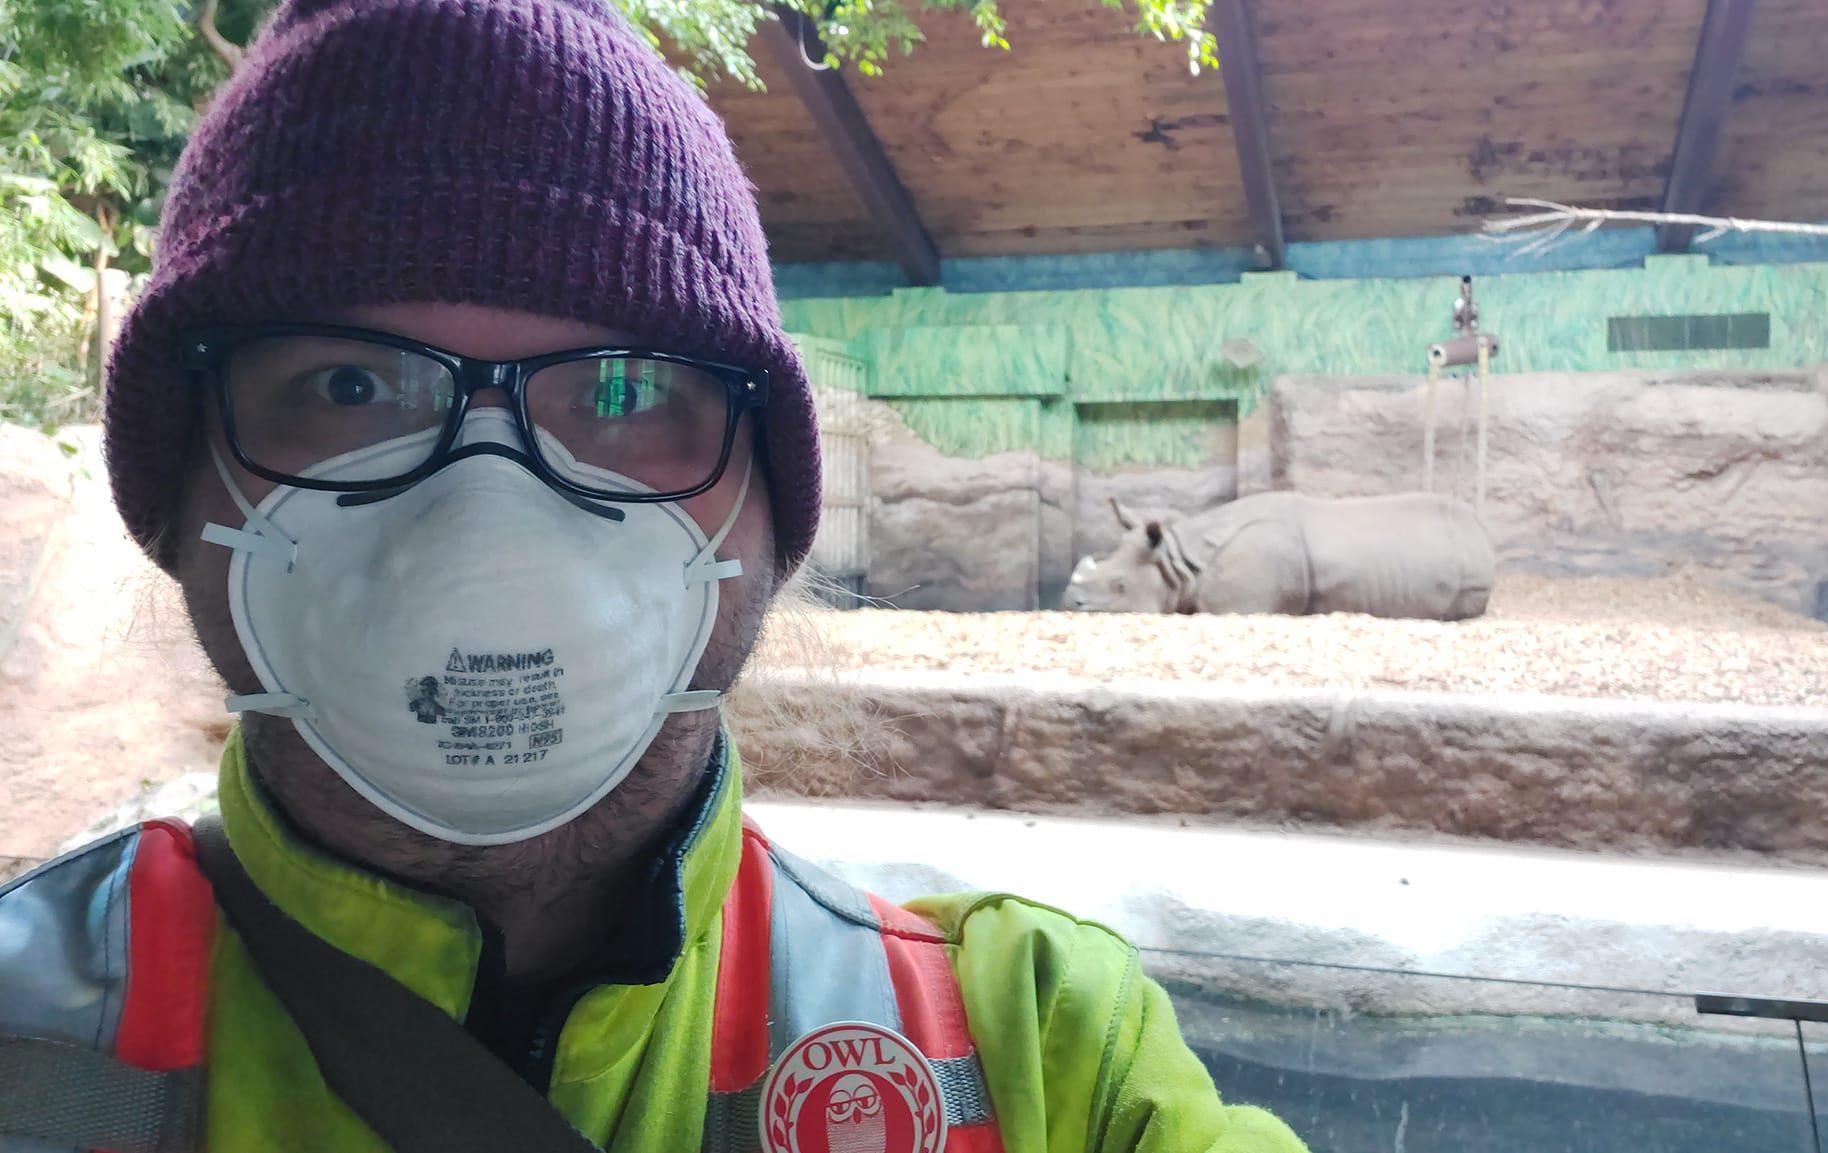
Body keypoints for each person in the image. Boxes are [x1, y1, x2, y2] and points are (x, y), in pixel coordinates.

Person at [0, 1, 1309, 1151]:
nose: (485, 520)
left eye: (626, 390)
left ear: (763, 512)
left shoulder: (1034, 1056)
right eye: (351, 386)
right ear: (178, 498)